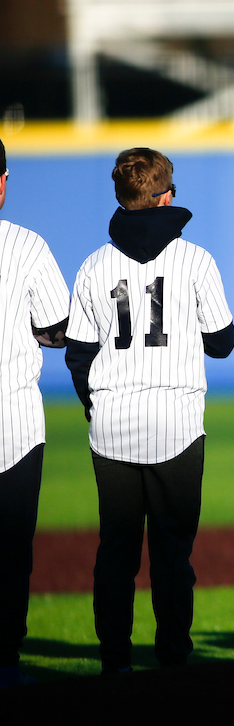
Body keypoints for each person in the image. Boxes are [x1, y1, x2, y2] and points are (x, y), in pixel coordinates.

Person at [64, 148, 234, 673]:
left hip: (112, 427)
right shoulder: (196, 260)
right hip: (178, 424)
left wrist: (95, 406)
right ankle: (173, 658)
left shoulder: (94, 265)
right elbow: (222, 342)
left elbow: (78, 355)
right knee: (172, 556)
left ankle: (114, 660)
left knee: (115, 554)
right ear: (164, 197)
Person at [0, 139, 71, 688]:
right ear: (3, 183)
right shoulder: (25, 245)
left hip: (18, 425)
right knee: (11, 552)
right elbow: (55, 328)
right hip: (15, 426)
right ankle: (6, 660)